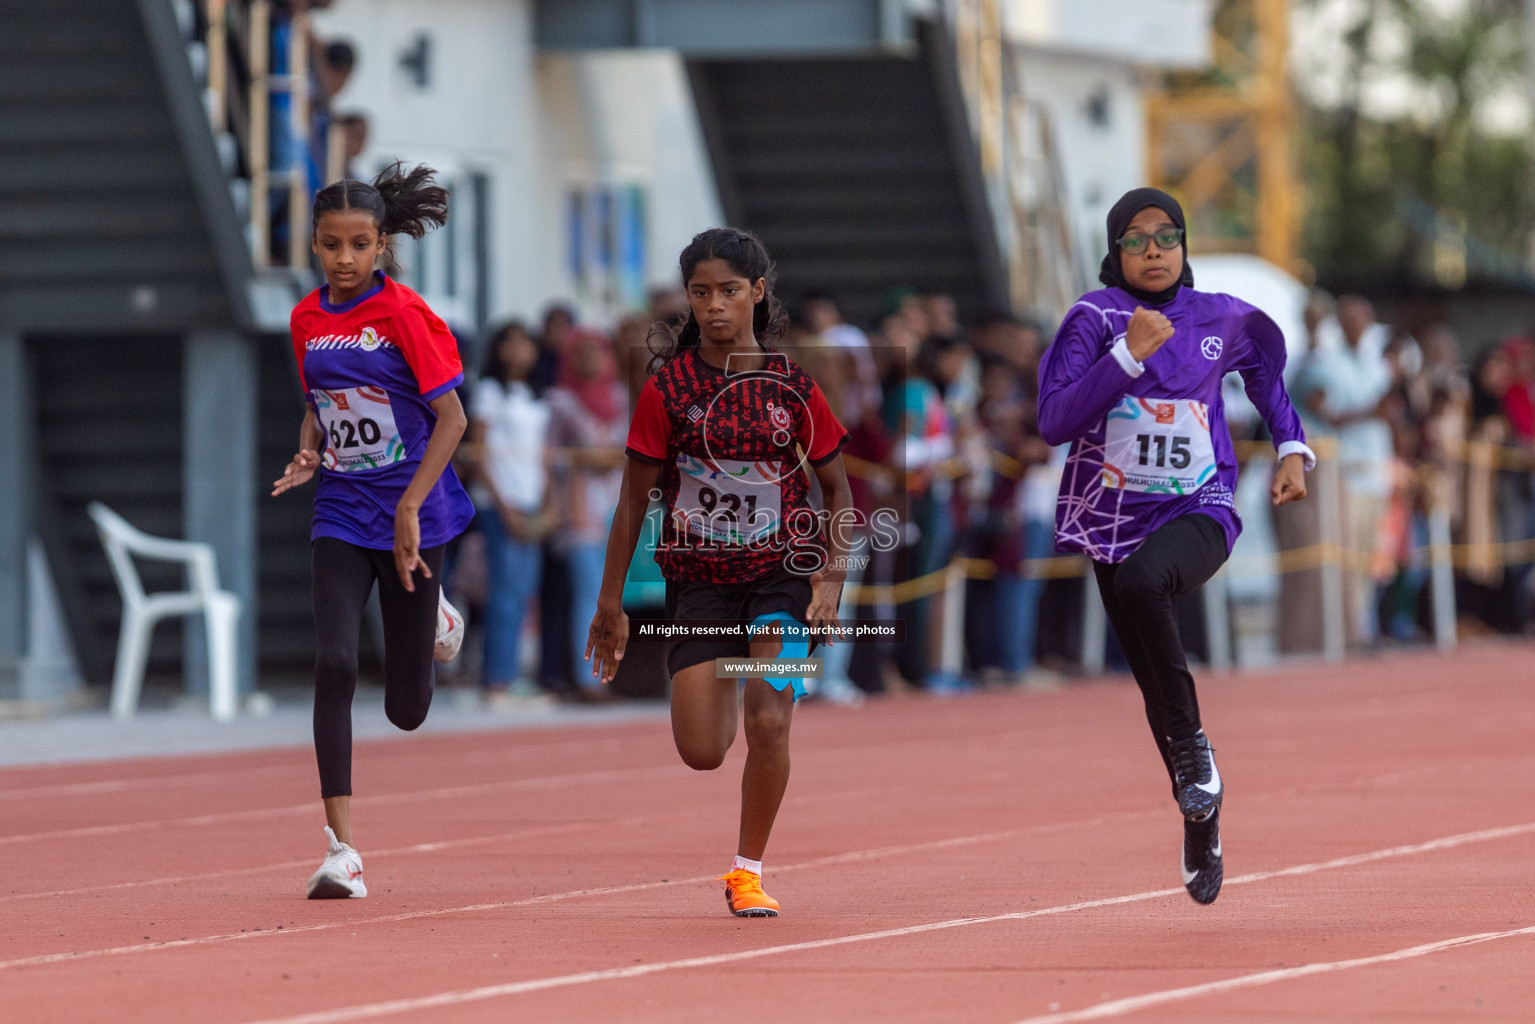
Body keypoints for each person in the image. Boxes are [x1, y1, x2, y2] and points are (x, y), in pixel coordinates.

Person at [1036, 187, 1313, 905]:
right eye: (1135, 239)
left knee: (1139, 587)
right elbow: (1053, 421)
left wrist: (1291, 447)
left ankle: (1194, 758)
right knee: (1152, 682)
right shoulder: (1093, 320)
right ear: (1115, 252)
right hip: (1110, 515)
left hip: (1201, 502)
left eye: (1166, 236)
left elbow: (1266, 375)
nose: (1153, 250)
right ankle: (1200, 811)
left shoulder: (1219, 314)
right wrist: (1126, 358)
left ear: (1184, 245)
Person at [585, 228, 852, 917]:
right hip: (700, 582)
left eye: (728, 291)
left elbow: (839, 494)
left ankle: (746, 870)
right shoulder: (668, 391)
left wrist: (830, 578)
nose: (713, 306)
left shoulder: (792, 387)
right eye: (700, 293)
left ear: (757, 293)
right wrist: (609, 603)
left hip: (783, 579)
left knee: (769, 720)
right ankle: (737, 670)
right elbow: (629, 501)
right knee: (702, 750)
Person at [271, 164, 471, 899]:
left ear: (381, 245)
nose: (345, 258)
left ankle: (439, 610)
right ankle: (341, 851)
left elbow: (452, 420)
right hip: (343, 511)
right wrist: (310, 449)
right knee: (334, 663)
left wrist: (414, 505)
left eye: (359, 244)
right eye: (331, 245)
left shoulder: (406, 316)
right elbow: (319, 405)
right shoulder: (305, 320)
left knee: (406, 708)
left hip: (416, 514)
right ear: (316, 247)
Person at [466, 321, 554, 703]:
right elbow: (479, 453)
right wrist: (504, 507)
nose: (519, 351)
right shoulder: (488, 392)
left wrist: (549, 503)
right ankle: (496, 677)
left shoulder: (538, 396)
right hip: (499, 500)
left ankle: (514, 671)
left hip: (531, 498)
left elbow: (545, 455)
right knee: (502, 590)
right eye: (511, 343)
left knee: (524, 589)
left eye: (526, 343)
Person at [548, 328, 629, 696]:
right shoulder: (560, 402)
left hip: (616, 509)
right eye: (579, 353)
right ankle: (589, 679)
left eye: (595, 352)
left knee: (614, 594)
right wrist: (599, 457)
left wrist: (599, 457)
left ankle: (611, 671)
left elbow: (628, 451)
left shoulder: (620, 396)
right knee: (590, 593)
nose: (588, 360)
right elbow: (552, 457)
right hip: (578, 512)